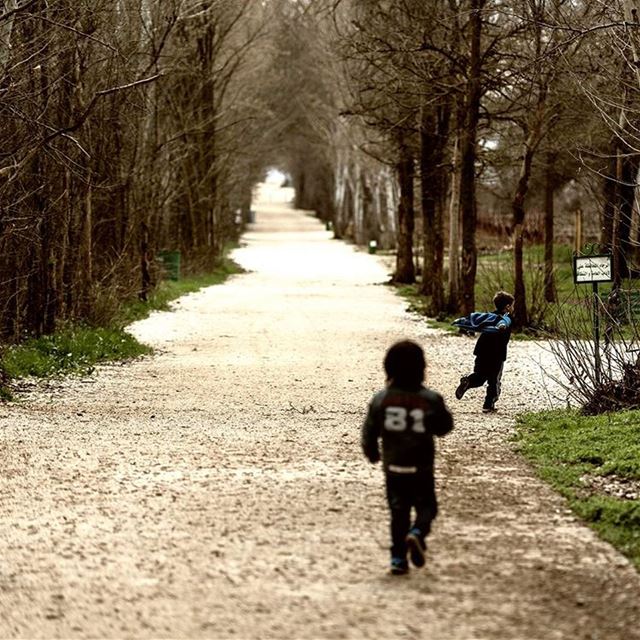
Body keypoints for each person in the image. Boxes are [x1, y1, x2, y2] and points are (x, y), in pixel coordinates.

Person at [361, 340, 454, 575]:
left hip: (394, 467)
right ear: (421, 367)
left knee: (398, 511)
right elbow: (444, 427)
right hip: (421, 467)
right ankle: (418, 532)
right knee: (427, 507)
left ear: (388, 368)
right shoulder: (430, 399)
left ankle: (398, 558)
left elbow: (369, 431)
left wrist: (372, 452)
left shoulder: (381, 399)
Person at [454, 291, 515, 413]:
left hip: (482, 351)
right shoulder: (507, 318)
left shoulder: (489, 316)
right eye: (512, 305)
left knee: (480, 376)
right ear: (508, 307)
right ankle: (488, 404)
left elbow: (476, 321)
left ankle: (468, 381)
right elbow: (505, 322)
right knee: (494, 380)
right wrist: (503, 325)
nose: (513, 308)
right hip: (497, 354)